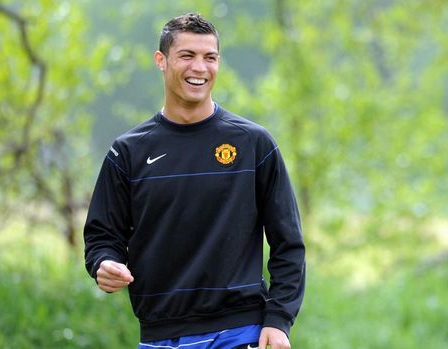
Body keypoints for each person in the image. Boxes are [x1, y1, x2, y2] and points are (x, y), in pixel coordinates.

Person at [84, 12, 305, 349]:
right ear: (161, 60)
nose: (200, 68)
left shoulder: (253, 144)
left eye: (210, 57)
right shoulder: (128, 152)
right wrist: (104, 263)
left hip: (239, 330)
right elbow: (102, 235)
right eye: (187, 56)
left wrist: (278, 320)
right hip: (159, 334)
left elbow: (288, 243)